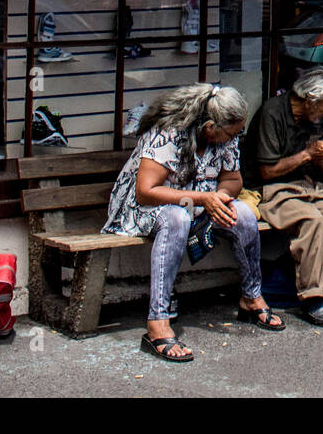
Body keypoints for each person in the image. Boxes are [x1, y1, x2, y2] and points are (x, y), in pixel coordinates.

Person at [102, 84, 279, 363]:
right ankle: (157, 322)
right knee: (176, 218)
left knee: (243, 214)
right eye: (232, 133)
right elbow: (146, 191)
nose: (236, 138)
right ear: (210, 126)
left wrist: (219, 198)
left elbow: (233, 180)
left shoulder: (226, 135)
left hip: (198, 204)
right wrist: (203, 198)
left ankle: (251, 297)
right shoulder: (168, 132)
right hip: (145, 208)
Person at [246, 66, 323, 329]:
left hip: (307, 184)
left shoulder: (312, 117)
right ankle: (312, 296)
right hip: (273, 187)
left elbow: (319, 157)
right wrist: (308, 154)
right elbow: (267, 171)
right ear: (309, 100)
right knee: (311, 220)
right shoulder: (272, 113)